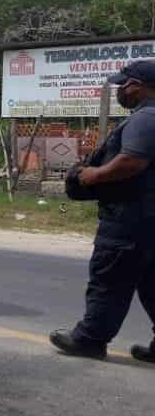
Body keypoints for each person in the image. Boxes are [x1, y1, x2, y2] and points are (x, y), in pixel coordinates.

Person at [51, 60, 155, 362]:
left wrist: (92, 175)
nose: (119, 90)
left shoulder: (145, 118)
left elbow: (131, 162)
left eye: (122, 84)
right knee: (151, 282)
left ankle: (89, 339)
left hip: (130, 218)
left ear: (136, 85)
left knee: (110, 279)